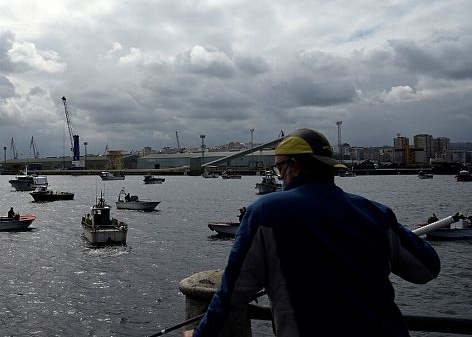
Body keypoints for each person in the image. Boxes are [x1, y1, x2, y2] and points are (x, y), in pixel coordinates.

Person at [187, 128, 440, 337]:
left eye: (279, 168)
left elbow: (231, 296)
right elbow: (427, 268)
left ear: (293, 167)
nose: (279, 176)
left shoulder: (266, 212)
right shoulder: (374, 212)